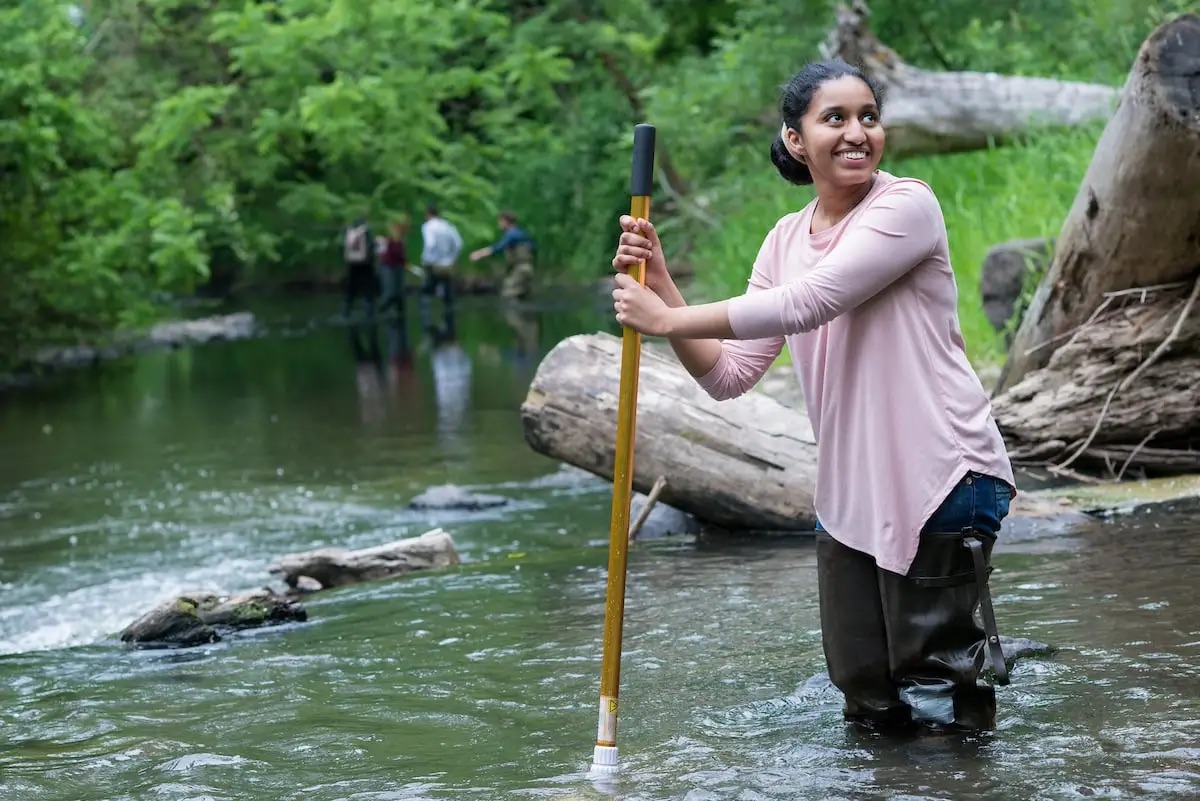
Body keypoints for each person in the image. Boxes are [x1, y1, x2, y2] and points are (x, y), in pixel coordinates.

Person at [608, 60, 1018, 735]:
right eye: (836, 118)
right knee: (865, 691)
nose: (857, 132)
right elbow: (729, 374)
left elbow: (812, 300)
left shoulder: (906, 205)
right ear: (796, 139)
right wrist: (664, 285)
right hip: (848, 495)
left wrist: (664, 320)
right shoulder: (783, 240)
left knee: (937, 685)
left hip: (941, 477)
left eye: (868, 116)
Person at [469, 210, 536, 301]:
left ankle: (513, 315)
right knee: (522, 296)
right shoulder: (521, 233)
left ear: (505, 221)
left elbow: (498, 248)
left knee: (508, 295)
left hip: (521, 269)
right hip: (526, 269)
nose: (499, 224)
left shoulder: (512, 234)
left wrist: (479, 254)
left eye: (500, 221)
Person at [419, 205, 463, 328]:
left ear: (428, 214)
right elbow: (459, 244)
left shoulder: (428, 226)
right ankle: (450, 323)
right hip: (447, 264)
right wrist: (453, 258)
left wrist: (425, 260)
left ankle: (427, 322)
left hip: (434, 264)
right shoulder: (448, 226)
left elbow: (430, 244)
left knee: (427, 291)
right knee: (448, 292)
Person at [342, 216, 378, 320]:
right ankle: (369, 313)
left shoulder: (350, 232)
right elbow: (370, 246)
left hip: (352, 263)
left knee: (351, 288)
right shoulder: (365, 231)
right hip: (366, 264)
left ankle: (346, 312)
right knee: (368, 288)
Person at [379, 218, 409, 316]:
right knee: (390, 290)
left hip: (397, 267)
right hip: (389, 267)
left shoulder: (400, 242)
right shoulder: (388, 241)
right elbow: (386, 256)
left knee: (398, 291)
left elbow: (401, 255)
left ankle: (399, 310)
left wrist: (404, 263)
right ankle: (385, 309)